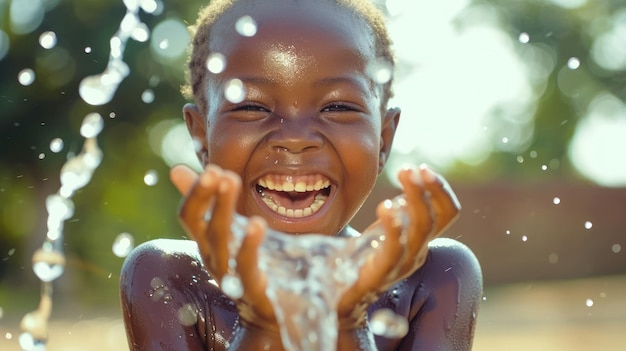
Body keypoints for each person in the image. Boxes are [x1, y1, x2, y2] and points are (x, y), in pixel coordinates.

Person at [120, 0, 483, 350]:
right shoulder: (171, 277)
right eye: (251, 106)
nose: (295, 137)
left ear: (384, 138)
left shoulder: (434, 277)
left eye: (338, 106)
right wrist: (262, 323)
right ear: (201, 136)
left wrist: (344, 317)